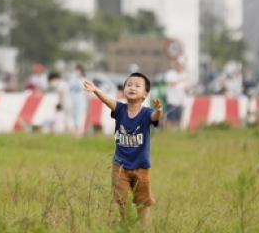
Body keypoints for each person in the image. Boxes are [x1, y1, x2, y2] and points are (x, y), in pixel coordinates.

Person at [84, 72, 162, 226]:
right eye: (129, 85)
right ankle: (126, 224)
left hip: (141, 166)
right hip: (120, 166)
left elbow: (155, 117)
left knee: (142, 200)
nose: (132, 87)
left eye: (137, 86)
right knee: (122, 198)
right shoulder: (120, 109)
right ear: (124, 90)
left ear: (145, 94)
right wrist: (96, 90)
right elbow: (108, 102)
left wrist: (159, 110)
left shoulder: (146, 113)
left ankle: (142, 227)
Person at [164, 60, 190, 128]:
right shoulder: (170, 74)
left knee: (179, 118)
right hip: (172, 100)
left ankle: (177, 131)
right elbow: (171, 83)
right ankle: (168, 131)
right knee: (170, 118)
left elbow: (186, 88)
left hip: (181, 100)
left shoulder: (184, 75)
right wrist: (181, 80)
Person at [66, 64, 89, 137]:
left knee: (79, 117)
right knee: (72, 117)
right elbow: (68, 91)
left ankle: (79, 133)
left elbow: (86, 93)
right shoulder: (71, 80)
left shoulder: (84, 80)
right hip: (72, 101)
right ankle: (73, 133)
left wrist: (87, 104)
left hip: (81, 101)